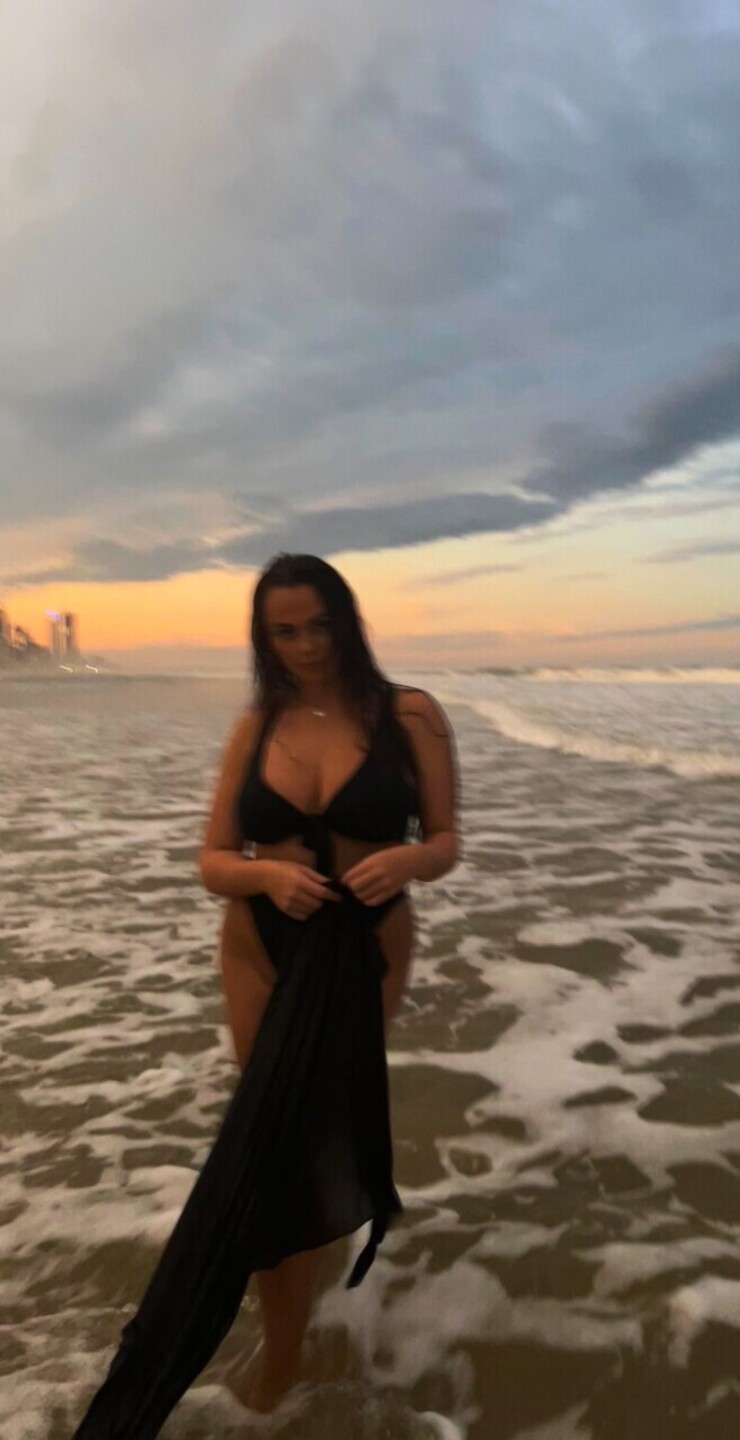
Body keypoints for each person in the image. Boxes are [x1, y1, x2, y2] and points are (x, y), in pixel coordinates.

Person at [72, 553, 460, 1438]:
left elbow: (446, 840)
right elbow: (213, 862)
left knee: (300, 1141)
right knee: (271, 1148)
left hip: (363, 951)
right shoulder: (257, 726)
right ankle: (281, 1348)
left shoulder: (411, 715)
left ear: (345, 620)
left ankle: (280, 1352)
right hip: (257, 950)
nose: (306, 646)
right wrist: (266, 877)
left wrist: (409, 858)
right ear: (264, 638)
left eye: (319, 625)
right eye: (285, 632)